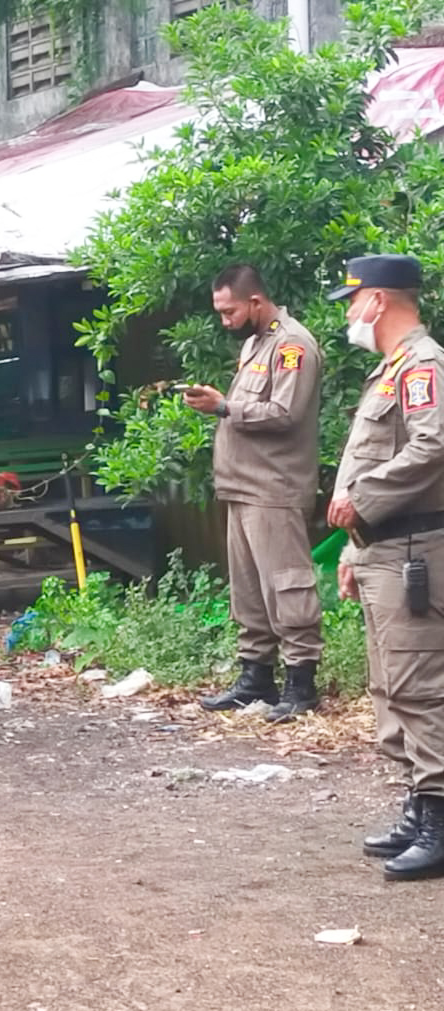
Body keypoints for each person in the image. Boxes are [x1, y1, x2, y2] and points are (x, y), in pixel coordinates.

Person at [326, 255, 444, 881]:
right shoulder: (390, 369)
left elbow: (433, 444)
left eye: (351, 301)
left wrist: (361, 503)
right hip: (382, 549)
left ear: (376, 301)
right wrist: (352, 546)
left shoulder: (423, 364)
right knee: (390, 686)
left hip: (414, 551)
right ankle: (419, 805)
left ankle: (440, 819)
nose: (348, 314)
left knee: (421, 687)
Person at [185, 264, 325, 722]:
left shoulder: (292, 346)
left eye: (229, 311)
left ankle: (301, 684)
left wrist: (223, 406)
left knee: (287, 585)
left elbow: (284, 413)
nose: (224, 320)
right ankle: (255, 679)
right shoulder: (253, 344)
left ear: (255, 302)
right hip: (242, 487)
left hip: (274, 487)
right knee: (248, 593)